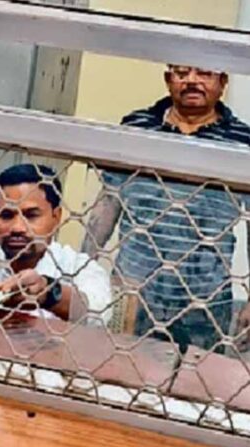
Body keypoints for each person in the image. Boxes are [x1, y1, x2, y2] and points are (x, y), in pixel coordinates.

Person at [83, 64, 250, 352]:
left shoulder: (242, 141)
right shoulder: (138, 127)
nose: (192, 81)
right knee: (118, 367)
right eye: (182, 72)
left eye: (204, 73)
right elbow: (109, 201)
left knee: (195, 376)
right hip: (132, 289)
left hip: (205, 299)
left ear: (223, 82)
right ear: (168, 79)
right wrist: (82, 270)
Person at [0, 164, 112, 324]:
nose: (17, 227)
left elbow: (98, 314)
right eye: (6, 215)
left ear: (56, 217)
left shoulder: (79, 267)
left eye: (31, 215)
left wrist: (48, 293)